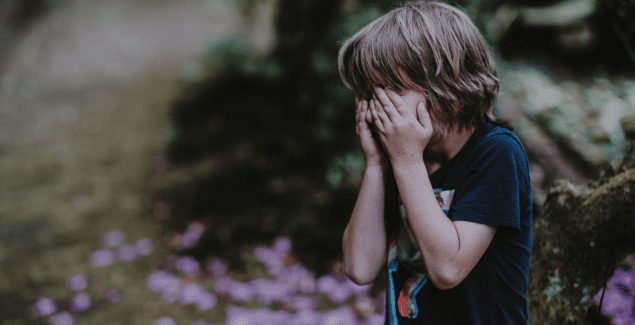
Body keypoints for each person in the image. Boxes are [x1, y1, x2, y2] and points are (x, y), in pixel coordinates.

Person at [337, 1, 533, 324]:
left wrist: (406, 161)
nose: (379, 106)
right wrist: (375, 165)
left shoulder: (496, 153)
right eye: (371, 93)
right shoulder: (402, 157)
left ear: (449, 88)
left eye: (391, 90)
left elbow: (447, 269)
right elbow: (359, 266)